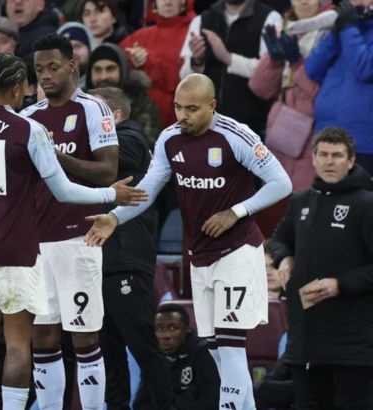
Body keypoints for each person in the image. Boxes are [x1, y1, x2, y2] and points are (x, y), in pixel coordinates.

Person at [0, 53, 146, 410]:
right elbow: (64, 191)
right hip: (17, 249)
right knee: (18, 343)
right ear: (18, 88)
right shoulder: (26, 129)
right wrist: (112, 194)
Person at [84, 73, 293, 410]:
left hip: (237, 249)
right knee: (212, 347)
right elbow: (149, 189)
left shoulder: (235, 136)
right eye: (178, 107)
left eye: (192, 109)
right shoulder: (169, 139)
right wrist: (114, 217)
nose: (183, 115)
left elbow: (281, 183)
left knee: (230, 343)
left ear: (212, 106)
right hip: (200, 255)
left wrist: (235, 212)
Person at [20, 34, 119, 410]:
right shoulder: (28, 118)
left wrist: (57, 156)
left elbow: (108, 171)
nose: (45, 76)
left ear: (72, 66)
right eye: (39, 69)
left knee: (84, 336)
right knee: (42, 336)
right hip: (36, 243)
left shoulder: (94, 109)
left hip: (80, 238)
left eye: (53, 67)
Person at [269, 126, 373, 410]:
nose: (329, 161)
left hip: (353, 346)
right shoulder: (301, 201)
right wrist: (284, 258)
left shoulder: (366, 204)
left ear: (351, 161)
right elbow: (278, 239)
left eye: (337, 156)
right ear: (313, 159)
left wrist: (340, 284)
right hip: (306, 343)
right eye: (323, 154)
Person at [86, 87, 174, 410]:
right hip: (101, 259)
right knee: (109, 353)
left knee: (142, 346)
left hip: (125, 259)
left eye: (92, 114)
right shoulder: (106, 143)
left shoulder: (132, 139)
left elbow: (97, 161)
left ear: (116, 118)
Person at [134, 303, 220, 410]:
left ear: (187, 330)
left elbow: (211, 404)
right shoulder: (152, 357)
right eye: (159, 329)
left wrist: (167, 405)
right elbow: (140, 405)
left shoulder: (204, 353)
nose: (166, 336)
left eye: (173, 328)